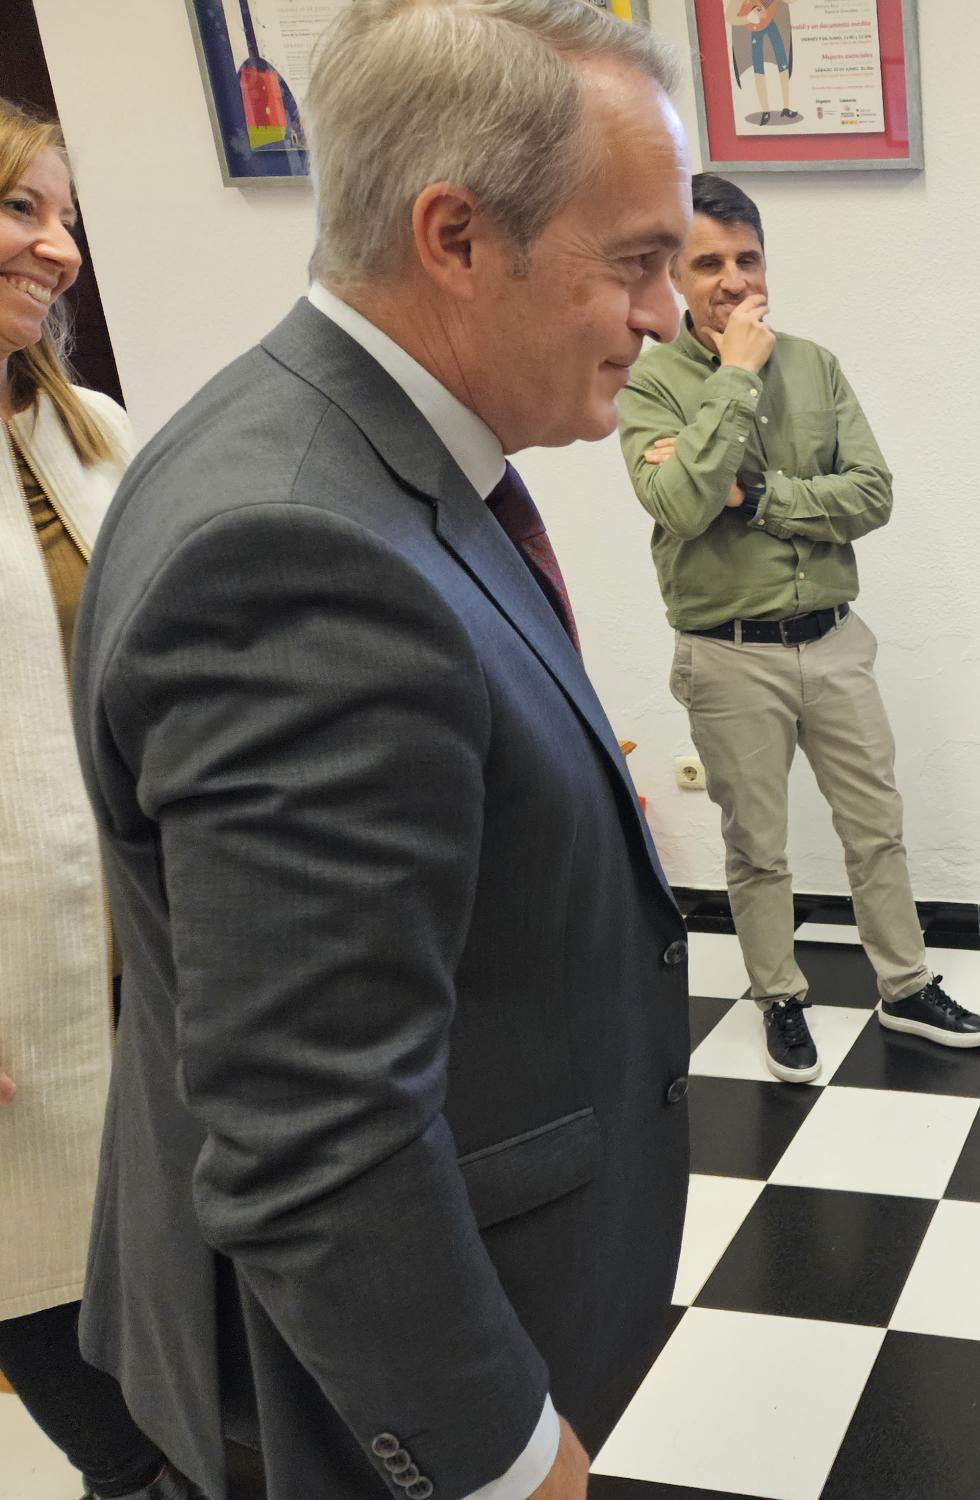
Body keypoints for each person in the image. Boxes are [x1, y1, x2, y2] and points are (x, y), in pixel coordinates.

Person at [68, 5, 693, 1498]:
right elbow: (314, 1130)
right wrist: (498, 1452)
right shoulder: (297, 550)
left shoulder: (307, 442)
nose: (666, 314)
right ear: (458, 236)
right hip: (348, 1395)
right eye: (637, 261)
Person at [619, 172, 980, 1084]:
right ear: (674, 273)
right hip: (727, 653)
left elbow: (872, 494)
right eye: (708, 263)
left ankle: (904, 987)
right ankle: (779, 994)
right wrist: (738, 377)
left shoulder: (818, 365)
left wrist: (761, 494)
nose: (733, 281)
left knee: (877, 825)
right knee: (757, 845)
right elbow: (677, 497)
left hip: (833, 640)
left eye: (747, 259)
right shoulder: (651, 385)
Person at [0, 97, 205, 1500]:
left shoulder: (97, 435)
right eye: (24, 208)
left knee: (194, 1327)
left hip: (155, 962)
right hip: (19, 992)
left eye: (64, 218)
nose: (59, 248)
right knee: (54, 1297)